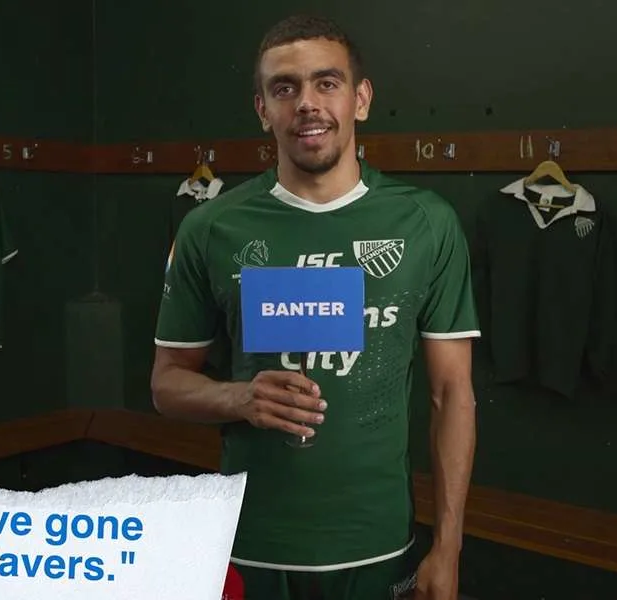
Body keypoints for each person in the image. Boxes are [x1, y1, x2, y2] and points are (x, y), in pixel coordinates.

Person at [151, 13, 479, 600]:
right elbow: (167, 384)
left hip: (378, 544)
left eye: (326, 83)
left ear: (361, 99)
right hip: (251, 543)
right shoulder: (210, 228)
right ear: (262, 109)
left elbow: (451, 393)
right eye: (285, 88)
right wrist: (238, 397)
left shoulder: (426, 223)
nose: (307, 103)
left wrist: (448, 547)